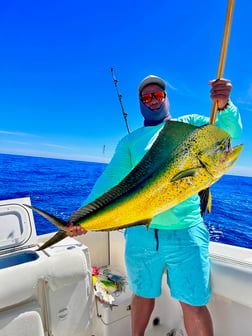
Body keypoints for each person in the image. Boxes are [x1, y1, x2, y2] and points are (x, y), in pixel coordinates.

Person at [69, 75, 242, 336]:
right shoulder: (130, 142)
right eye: (146, 97)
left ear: (166, 98)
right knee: (141, 295)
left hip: (186, 231)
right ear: (140, 103)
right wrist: (82, 216)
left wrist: (224, 105)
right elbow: (109, 182)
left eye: (158, 95)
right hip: (141, 233)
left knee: (193, 304)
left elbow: (228, 134)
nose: (152, 100)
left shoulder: (191, 124)